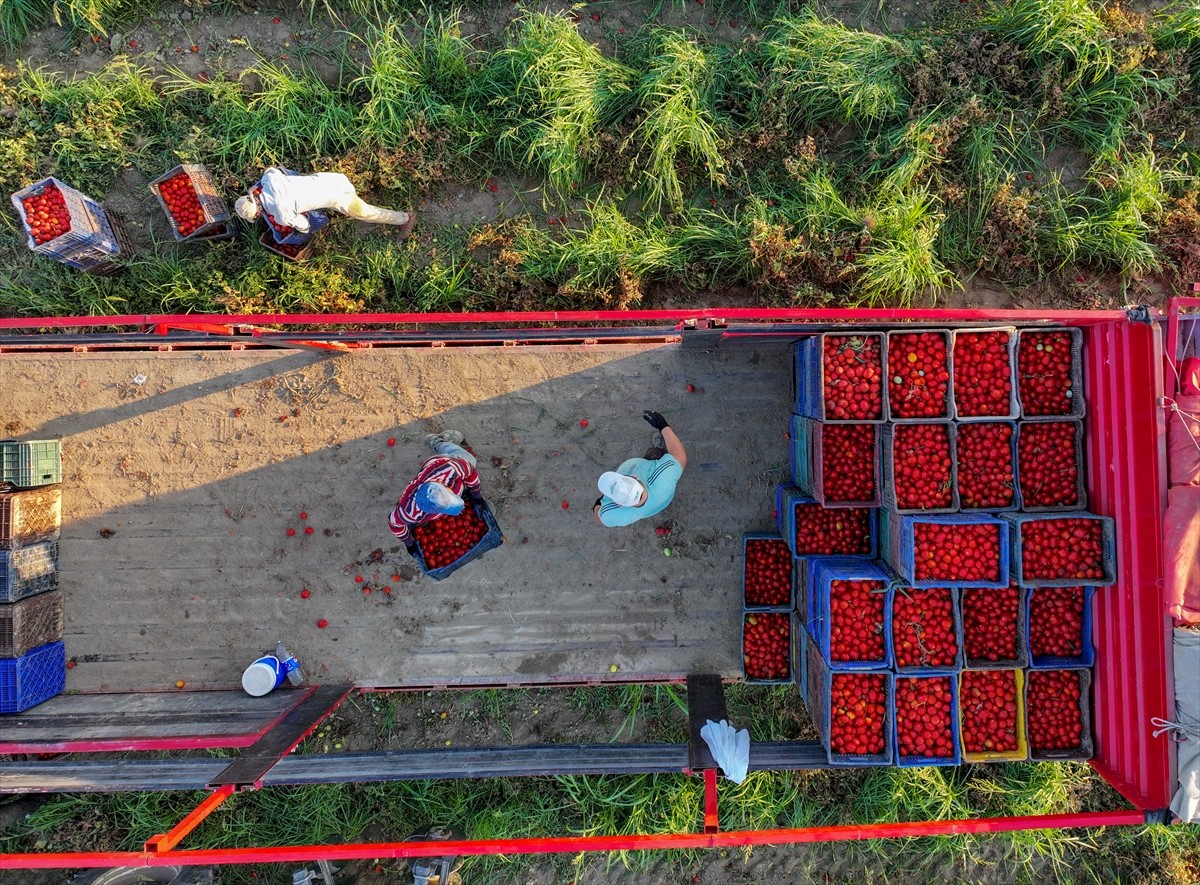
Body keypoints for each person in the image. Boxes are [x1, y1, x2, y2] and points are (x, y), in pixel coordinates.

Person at [234, 167, 414, 243]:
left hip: (340, 196)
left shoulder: (281, 215)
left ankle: (405, 218)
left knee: (367, 213)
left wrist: (301, 231)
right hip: (330, 178)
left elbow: (305, 225)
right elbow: (273, 170)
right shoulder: (268, 180)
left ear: (257, 213)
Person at [389, 431, 483, 556]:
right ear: (431, 513)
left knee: (470, 460)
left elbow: (470, 472)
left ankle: (440, 443)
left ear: (445, 486)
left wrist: (477, 496)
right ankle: (438, 441)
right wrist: (409, 542)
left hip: (442, 462)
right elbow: (394, 523)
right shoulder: (409, 512)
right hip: (427, 476)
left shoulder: (450, 468)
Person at [593, 410, 686, 528]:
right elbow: (680, 456)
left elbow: (599, 518)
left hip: (653, 508)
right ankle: (659, 448)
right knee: (655, 454)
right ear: (635, 477)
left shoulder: (611, 515)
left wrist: (597, 504)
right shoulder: (663, 474)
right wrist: (663, 426)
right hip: (663, 491)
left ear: (618, 503)